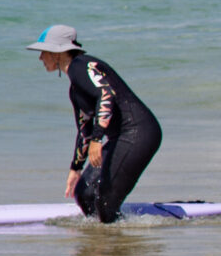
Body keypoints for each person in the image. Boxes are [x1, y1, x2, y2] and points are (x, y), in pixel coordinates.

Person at [28, 25, 162, 223]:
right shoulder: (75, 88)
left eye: (43, 52)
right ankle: (103, 239)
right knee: (84, 193)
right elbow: (84, 131)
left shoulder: (80, 66)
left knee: (104, 200)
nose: (40, 58)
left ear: (58, 52)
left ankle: (118, 244)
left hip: (138, 132)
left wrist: (98, 139)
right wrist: (76, 168)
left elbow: (105, 94)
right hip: (124, 136)